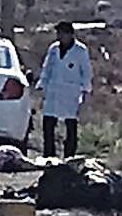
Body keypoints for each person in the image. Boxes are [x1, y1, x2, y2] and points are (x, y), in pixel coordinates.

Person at [36, 21, 93, 159]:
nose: (60, 36)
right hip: (53, 90)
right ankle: (49, 155)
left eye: (63, 33)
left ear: (70, 34)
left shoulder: (80, 50)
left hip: (70, 92)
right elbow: (47, 67)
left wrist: (86, 91)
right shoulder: (54, 49)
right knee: (48, 124)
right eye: (59, 33)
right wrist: (42, 84)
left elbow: (86, 71)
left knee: (70, 126)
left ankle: (69, 157)